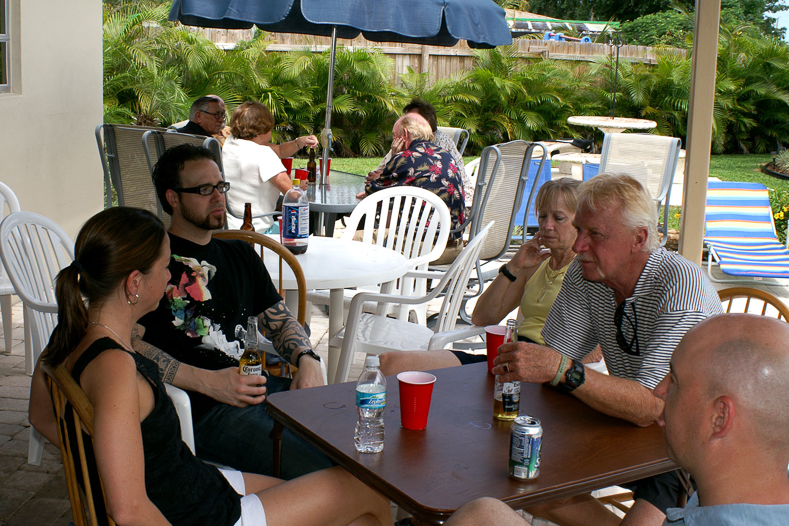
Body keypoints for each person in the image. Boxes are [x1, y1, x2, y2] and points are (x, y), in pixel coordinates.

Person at [28, 207, 393, 526]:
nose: (171, 277)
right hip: (199, 513)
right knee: (366, 490)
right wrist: (117, 474)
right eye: (164, 267)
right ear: (134, 283)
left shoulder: (71, 336)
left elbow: (41, 417)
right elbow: (128, 511)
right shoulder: (116, 368)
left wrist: (106, 463)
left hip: (189, 482)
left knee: (344, 510)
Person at [493, 174, 722, 526]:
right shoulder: (589, 275)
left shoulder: (680, 287)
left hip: (691, 443)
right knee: (526, 481)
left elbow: (649, 405)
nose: (579, 245)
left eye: (595, 235)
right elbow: (551, 360)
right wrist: (551, 367)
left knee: (532, 483)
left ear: (639, 239)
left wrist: (562, 369)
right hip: (622, 428)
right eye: (580, 230)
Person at [443, 313, 789, 526]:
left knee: (479, 515)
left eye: (676, 380)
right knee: (485, 514)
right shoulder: (750, 487)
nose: (658, 392)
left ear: (720, 418)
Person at [135, 143, 331, 479]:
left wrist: (307, 359)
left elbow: (279, 320)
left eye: (221, 186)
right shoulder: (152, 263)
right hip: (201, 411)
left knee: (357, 442)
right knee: (325, 470)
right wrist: (206, 382)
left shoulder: (240, 254)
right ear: (172, 198)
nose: (218, 197)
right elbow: (125, 342)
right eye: (204, 189)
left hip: (258, 391)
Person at [379, 178, 583, 376]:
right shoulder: (535, 266)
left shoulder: (587, 273)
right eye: (542, 216)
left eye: (558, 218)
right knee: (392, 362)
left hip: (542, 370)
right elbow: (482, 318)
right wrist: (513, 266)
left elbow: (594, 349)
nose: (547, 225)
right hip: (508, 360)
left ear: (581, 222)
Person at [359, 113, 466, 265]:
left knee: (350, 241)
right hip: (453, 245)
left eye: (395, 136)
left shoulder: (406, 157)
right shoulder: (447, 155)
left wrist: (394, 157)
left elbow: (372, 192)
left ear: (404, 134)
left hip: (423, 247)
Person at [369, 99, 473, 206]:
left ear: (424, 123)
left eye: (409, 120)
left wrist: (393, 163)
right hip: (449, 214)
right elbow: (380, 173)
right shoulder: (437, 151)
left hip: (445, 207)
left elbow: (378, 187)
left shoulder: (438, 144)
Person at [222, 101, 294, 231]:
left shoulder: (229, 143)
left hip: (229, 226)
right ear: (263, 127)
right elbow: (292, 195)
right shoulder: (264, 154)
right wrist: (300, 188)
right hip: (259, 230)